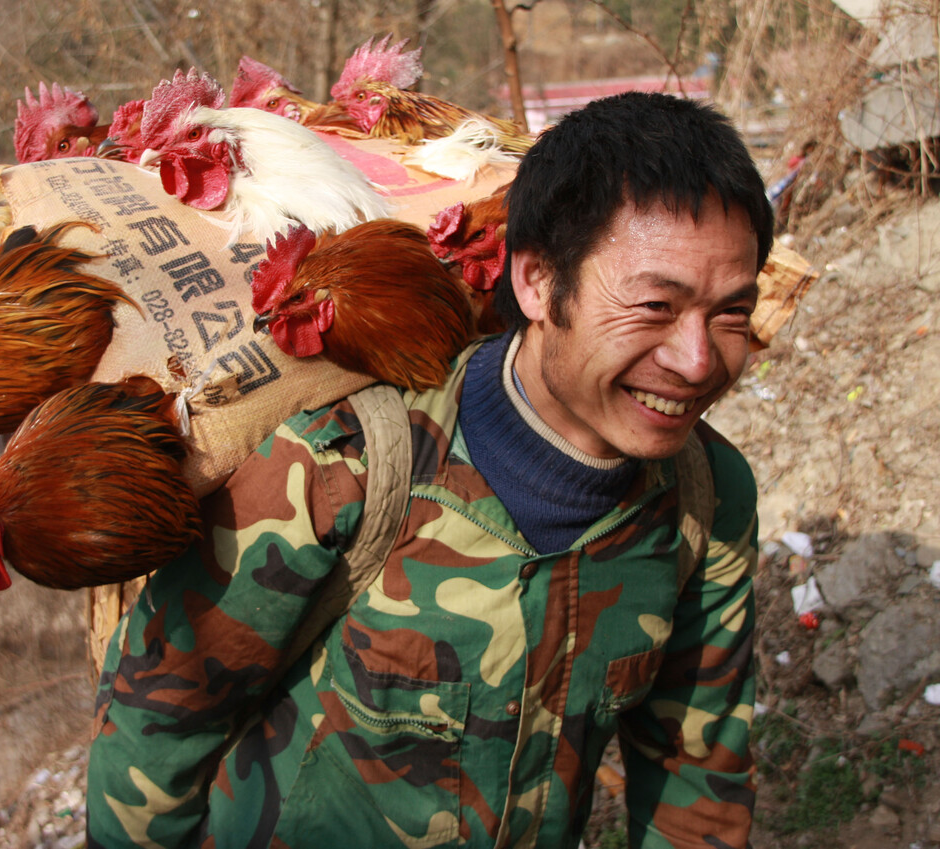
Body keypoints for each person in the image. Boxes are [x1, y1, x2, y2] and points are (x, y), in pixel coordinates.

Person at [86, 90, 773, 849]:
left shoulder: (707, 497)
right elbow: (157, 726)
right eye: (654, 307)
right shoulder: (344, 463)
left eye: (731, 313)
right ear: (538, 281)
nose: (697, 361)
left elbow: (696, 777)